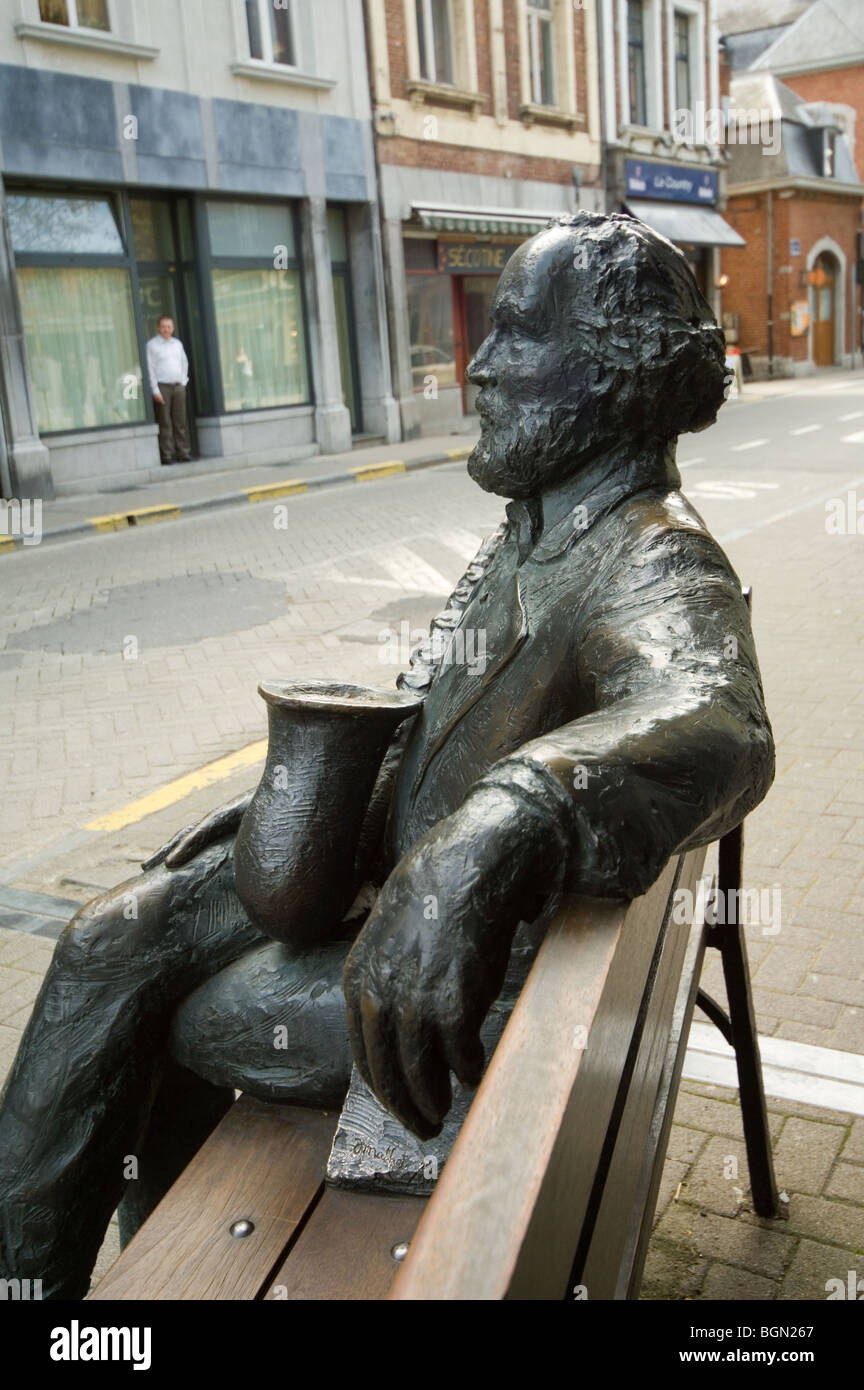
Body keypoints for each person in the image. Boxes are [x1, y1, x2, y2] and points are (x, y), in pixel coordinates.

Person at [0, 212, 775, 1297]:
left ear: (611, 374)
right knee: (108, 937)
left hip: (466, 985)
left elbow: (718, 717)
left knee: (165, 1014)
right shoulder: (537, 523)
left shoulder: (654, 553)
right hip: (394, 881)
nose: (482, 367)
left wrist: (507, 823)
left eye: (516, 337)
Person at [146, 315, 192, 464]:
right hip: (162, 387)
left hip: (178, 386)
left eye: (169, 326)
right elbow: (149, 369)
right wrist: (154, 389)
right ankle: (166, 454)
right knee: (164, 422)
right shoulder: (152, 345)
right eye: (164, 326)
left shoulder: (177, 344)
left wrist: (183, 381)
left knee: (180, 422)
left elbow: (184, 363)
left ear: (172, 328)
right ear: (158, 328)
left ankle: (183, 453)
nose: (166, 329)